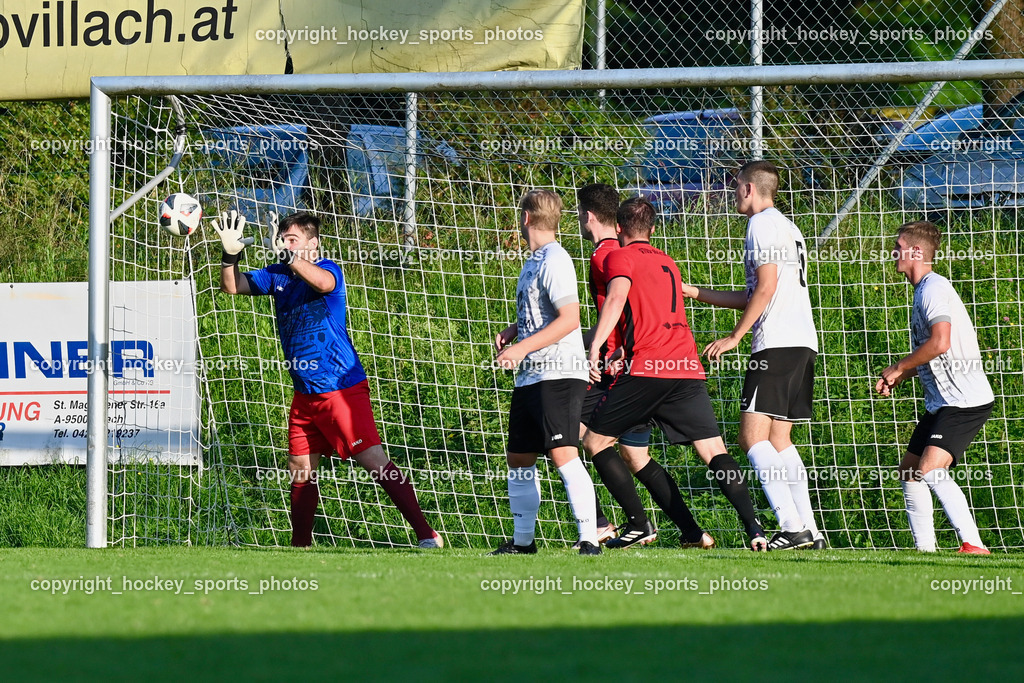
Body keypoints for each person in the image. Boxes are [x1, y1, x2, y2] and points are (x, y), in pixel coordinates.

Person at [214, 209, 443, 549]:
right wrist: (230, 256)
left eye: (292, 240)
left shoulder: (329, 270)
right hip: (305, 394)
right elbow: (232, 287)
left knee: (374, 462)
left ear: (313, 243)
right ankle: (300, 547)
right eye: (283, 239)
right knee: (299, 466)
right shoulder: (278, 275)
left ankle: (428, 534)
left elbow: (322, 284)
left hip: (341, 389)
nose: (284, 244)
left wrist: (289, 256)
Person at [577, 184, 764, 550]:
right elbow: (649, 314)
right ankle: (753, 529)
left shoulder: (619, 257)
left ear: (619, 228)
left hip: (648, 369)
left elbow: (617, 299)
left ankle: (630, 524)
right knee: (713, 451)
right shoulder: (668, 262)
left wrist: (597, 347)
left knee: (594, 441)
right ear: (654, 229)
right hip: (686, 366)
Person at [680, 160, 823, 551]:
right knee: (780, 439)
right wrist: (696, 293)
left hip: (775, 343)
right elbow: (755, 294)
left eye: (735, 187)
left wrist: (735, 337)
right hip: (801, 343)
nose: (733, 194)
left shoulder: (760, 223)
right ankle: (810, 530)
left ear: (748, 188)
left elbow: (766, 286)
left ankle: (791, 525)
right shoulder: (788, 226)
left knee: (750, 437)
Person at [490, 189, 601, 556]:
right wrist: (514, 330)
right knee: (520, 456)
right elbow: (542, 313)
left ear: (526, 218)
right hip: (532, 375)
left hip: (558, 371)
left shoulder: (556, 258)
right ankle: (523, 542)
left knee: (563, 452)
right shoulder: (533, 261)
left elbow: (570, 319)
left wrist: (520, 347)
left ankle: (589, 537)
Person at [876, 220, 994, 554]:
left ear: (915, 251)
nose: (893, 252)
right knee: (910, 472)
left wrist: (899, 365)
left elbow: (941, 342)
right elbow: (935, 352)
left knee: (929, 469)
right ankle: (925, 551)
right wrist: (903, 374)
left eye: (898, 246)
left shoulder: (932, 289)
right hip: (942, 402)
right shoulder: (923, 289)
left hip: (964, 401)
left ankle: (973, 543)